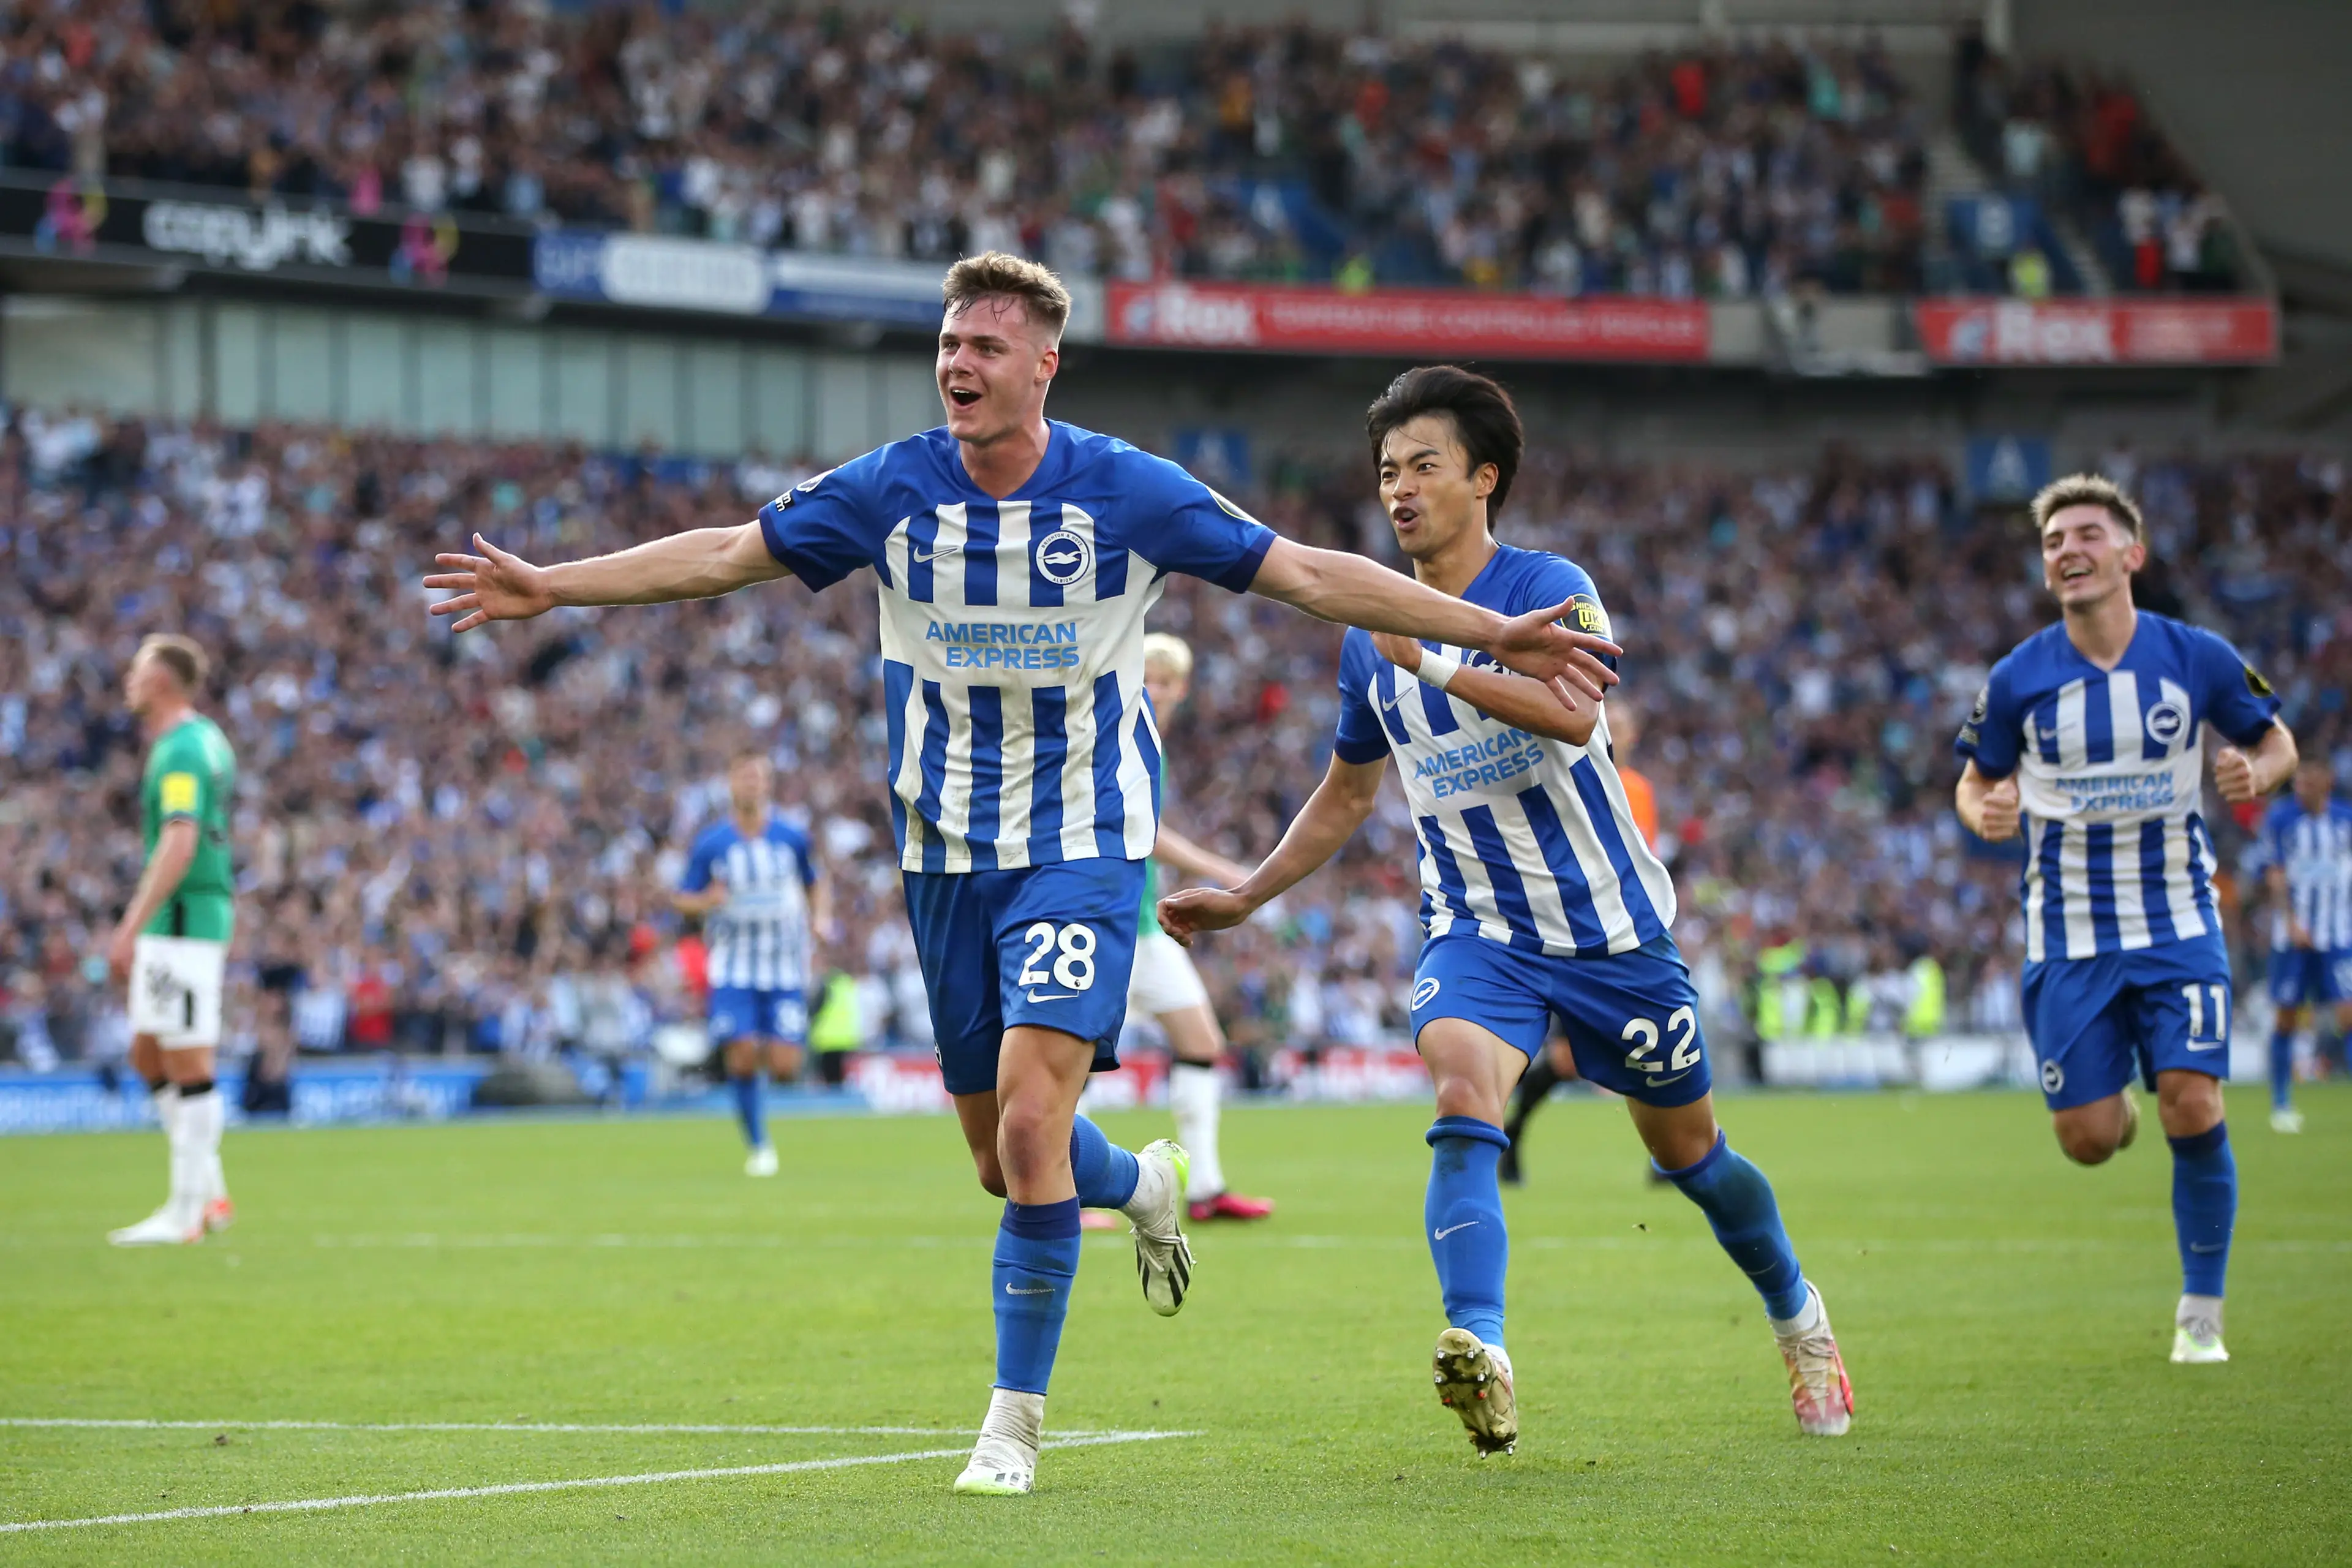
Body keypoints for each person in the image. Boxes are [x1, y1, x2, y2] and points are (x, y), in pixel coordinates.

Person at [423, 256, 1621, 1495]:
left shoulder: (1125, 490)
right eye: (950, 344)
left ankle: (1011, 1424)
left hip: (1086, 846)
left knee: (1039, 1119)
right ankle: (1146, 1180)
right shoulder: (890, 490)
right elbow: (729, 553)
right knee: (1004, 1159)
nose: (959, 364)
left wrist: (1489, 629)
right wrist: (550, 585)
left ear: (1044, 365)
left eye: (987, 347)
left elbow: (1309, 572)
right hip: (944, 860)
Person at [1160, 364, 1853, 1455]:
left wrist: (1436, 661)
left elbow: (1573, 716)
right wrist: (1248, 894)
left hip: (1615, 933)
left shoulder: (1549, 585)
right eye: (1386, 469)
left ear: (1484, 479)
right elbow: (1348, 794)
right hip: (1480, 932)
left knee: (1695, 1160)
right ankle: (1482, 1349)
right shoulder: (1366, 634)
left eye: (1423, 464)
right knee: (1462, 1088)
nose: (1398, 487)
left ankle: (1800, 1320)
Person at [1955, 473, 2299, 1366]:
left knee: (2192, 1099)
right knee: (2089, 1141)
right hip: (2069, 941)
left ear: (2131, 555)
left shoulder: (2197, 659)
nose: (2068, 550)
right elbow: (1976, 777)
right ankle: (2118, 1107)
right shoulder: (2020, 678)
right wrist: (1981, 810)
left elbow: (2276, 739)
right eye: (2053, 542)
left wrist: (2259, 775)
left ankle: (2203, 1313)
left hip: (2180, 924)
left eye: (2086, 535)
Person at [1124, 632, 1273, 1221]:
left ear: (1181, 690)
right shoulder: (1117, 734)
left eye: (1163, 682)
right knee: (1071, 1058)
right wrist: (1225, 872)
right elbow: (1146, 834)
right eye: (1146, 679)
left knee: (1202, 1045)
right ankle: (1057, 1190)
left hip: (1142, 926)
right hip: (1107, 923)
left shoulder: (1149, 743)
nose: (1153, 691)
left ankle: (1205, 1190)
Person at [105, 635, 239, 1246]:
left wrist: (132, 923)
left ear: (162, 679)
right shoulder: (200, 738)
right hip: (183, 918)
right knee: (147, 1052)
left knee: (187, 1058)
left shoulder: (181, 749)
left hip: (183, 917)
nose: (128, 680)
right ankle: (207, 1193)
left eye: (137, 671)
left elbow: (180, 840)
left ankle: (188, 1214)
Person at [1498, 698, 1657, 1184]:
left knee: (1650, 1042)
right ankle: (1512, 1136)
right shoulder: (1569, 773)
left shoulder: (1638, 790)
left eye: (1626, 726)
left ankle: (1671, 1158)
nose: (1619, 732)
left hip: (1626, 934)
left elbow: (1640, 860)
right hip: (1571, 933)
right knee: (1569, 1061)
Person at [674, 753, 827, 1175]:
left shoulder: (791, 838)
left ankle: (765, 1040)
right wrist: (707, 901)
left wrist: (821, 919)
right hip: (734, 966)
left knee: (784, 1066)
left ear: (768, 784)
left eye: (759, 777)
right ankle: (759, 1145)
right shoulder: (712, 843)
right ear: (730, 783)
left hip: (782, 966)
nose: (752, 784)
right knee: (741, 1055)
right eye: (744, 776)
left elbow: (816, 883)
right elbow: (683, 897)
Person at [2255, 757, 2352, 1133]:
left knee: (2347, 1015)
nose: (2302, 788)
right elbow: (2275, 874)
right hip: (2291, 938)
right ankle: (2281, 1103)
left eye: (2309, 781)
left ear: (2326, 780)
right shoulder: (2282, 819)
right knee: (2287, 1016)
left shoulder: (2345, 818)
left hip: (2338, 934)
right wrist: (2293, 922)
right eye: (2298, 782)